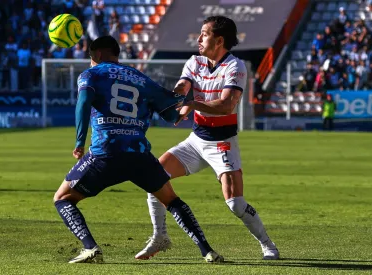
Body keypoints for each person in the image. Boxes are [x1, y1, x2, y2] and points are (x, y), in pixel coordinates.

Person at [52, 36, 224, 264]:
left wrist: (79, 142)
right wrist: (191, 100)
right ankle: (207, 251)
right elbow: (172, 115)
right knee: (172, 200)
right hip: (139, 155)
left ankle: (90, 248)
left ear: (97, 55)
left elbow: (83, 103)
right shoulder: (141, 79)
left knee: (62, 198)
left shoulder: (91, 74)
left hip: (105, 153)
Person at [135, 16, 280, 261]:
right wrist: (175, 100)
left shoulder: (235, 66)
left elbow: (226, 105)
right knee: (154, 178)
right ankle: (160, 236)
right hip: (196, 141)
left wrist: (191, 103)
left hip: (223, 142)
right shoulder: (195, 61)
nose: (199, 38)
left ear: (219, 40)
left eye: (204, 34)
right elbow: (183, 85)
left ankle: (268, 245)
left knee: (235, 204)